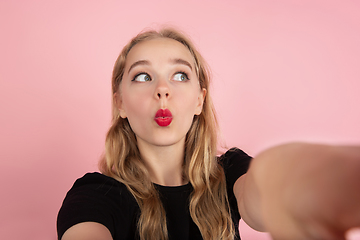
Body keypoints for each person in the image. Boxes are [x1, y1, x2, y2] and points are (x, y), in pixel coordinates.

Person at [57, 28, 360, 240]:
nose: (162, 90)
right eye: (143, 76)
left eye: (180, 75)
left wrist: (291, 183)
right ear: (120, 102)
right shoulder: (97, 194)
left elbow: (259, 198)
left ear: (199, 100)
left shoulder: (230, 172)